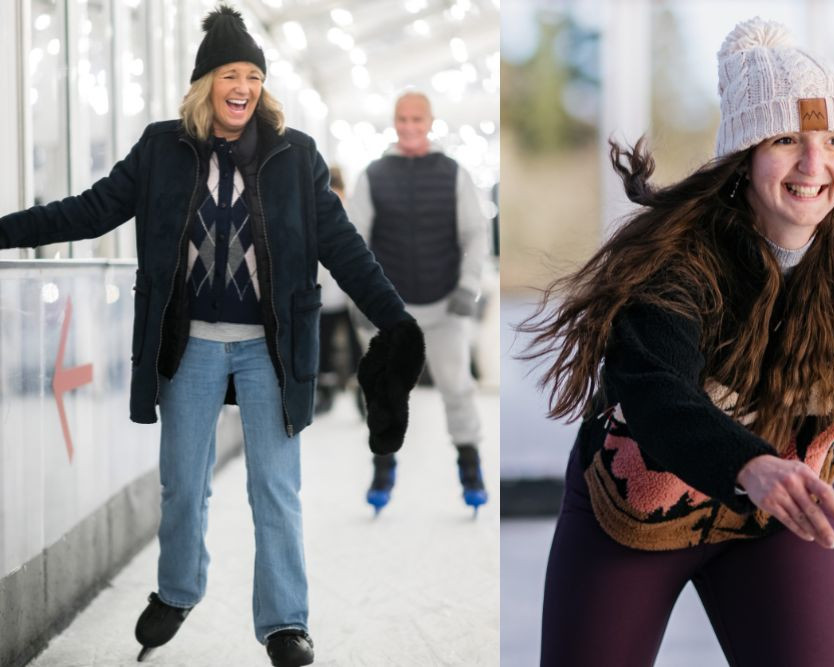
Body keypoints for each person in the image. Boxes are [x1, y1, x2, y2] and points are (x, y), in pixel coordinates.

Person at [0, 6, 424, 667]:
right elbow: (88, 210)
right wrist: (4, 229)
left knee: (275, 486)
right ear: (206, 83)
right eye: (232, 73)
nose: (244, 87)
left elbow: (342, 247)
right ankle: (177, 588)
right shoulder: (162, 150)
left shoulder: (296, 155)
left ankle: (285, 622)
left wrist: (396, 318)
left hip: (270, 348)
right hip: (189, 341)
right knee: (180, 481)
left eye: (254, 75)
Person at [519, 18, 834, 667]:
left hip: (778, 514)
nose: (813, 163)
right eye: (786, 138)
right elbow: (659, 397)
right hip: (640, 511)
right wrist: (751, 464)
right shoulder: (677, 261)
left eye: (832, 140)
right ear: (744, 155)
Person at [348, 91, 490, 514]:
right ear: (394, 123)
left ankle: (471, 468)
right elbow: (355, 239)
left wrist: (468, 286)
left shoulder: (453, 173)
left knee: (458, 389)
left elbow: (475, 233)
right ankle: (383, 469)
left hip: (445, 304)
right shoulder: (373, 175)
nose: (409, 126)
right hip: (392, 310)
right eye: (402, 119)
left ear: (430, 122)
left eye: (417, 119)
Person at [313, 165, 364, 416]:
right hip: (327, 293)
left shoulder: (352, 211)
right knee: (324, 342)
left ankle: (359, 393)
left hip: (349, 293)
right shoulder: (317, 209)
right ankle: (327, 390)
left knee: (355, 344)